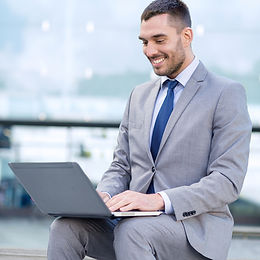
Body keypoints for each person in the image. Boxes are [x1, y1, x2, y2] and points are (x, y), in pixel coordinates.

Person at [47, 0, 252, 259]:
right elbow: (121, 166)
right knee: (65, 227)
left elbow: (227, 182)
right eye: (144, 42)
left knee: (133, 231)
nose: (149, 50)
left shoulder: (226, 93)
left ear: (186, 36)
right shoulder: (139, 96)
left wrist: (159, 200)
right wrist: (104, 194)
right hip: (131, 224)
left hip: (193, 231)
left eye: (159, 40)